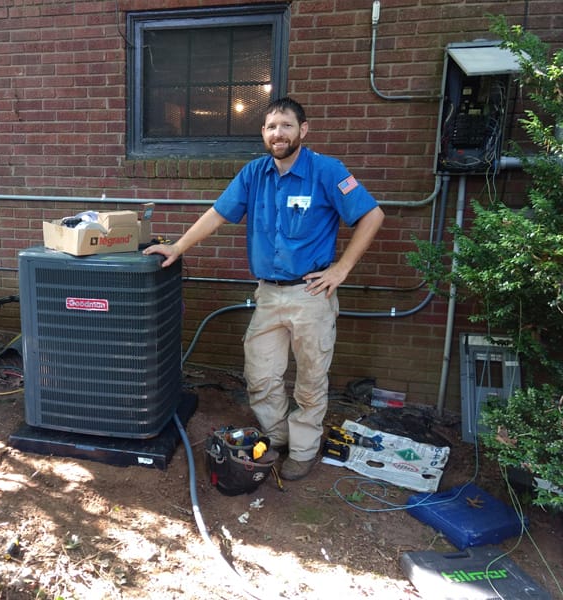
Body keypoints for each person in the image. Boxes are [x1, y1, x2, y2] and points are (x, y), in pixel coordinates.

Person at [143, 97, 384, 481]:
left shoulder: (327, 171)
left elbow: (372, 214)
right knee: (261, 374)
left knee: (310, 377)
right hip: (268, 294)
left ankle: (303, 450)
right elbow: (218, 214)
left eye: (287, 126)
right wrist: (177, 246)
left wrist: (342, 269)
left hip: (312, 293)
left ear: (303, 130)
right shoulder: (254, 173)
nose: (278, 133)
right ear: (263, 133)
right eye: (271, 127)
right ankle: (277, 437)